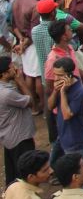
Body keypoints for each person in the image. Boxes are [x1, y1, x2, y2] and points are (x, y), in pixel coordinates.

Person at [49, 56, 83, 193]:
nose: (56, 79)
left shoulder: (80, 91)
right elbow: (50, 105)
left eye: (60, 75)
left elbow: (66, 114)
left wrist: (63, 92)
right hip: (63, 135)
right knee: (54, 163)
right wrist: (56, 91)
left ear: (69, 75)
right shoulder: (59, 87)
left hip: (76, 138)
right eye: (55, 75)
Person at [0, 56, 36, 187]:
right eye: (11, 67)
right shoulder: (7, 94)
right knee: (26, 176)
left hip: (9, 137)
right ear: (4, 74)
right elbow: (31, 102)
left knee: (13, 176)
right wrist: (20, 81)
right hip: (20, 138)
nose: (15, 68)